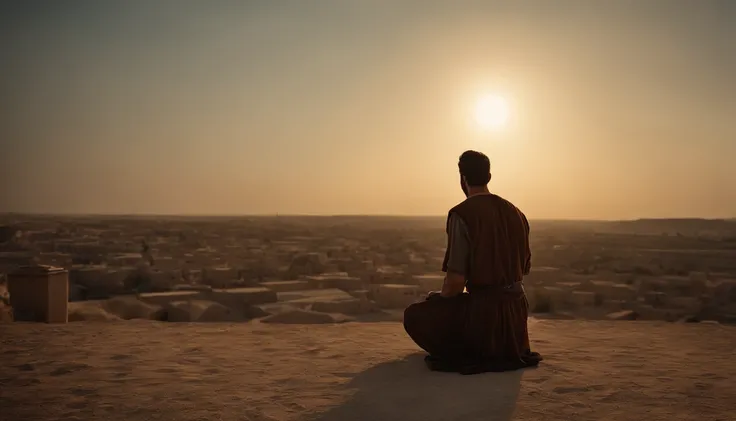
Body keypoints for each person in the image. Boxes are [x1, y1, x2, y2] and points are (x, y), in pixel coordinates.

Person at [403, 150, 542, 374]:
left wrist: (439, 300)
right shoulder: (517, 213)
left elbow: (456, 282)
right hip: (516, 319)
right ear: (489, 176)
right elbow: (524, 268)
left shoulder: (462, 214)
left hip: (484, 316)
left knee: (415, 315)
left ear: (463, 179)